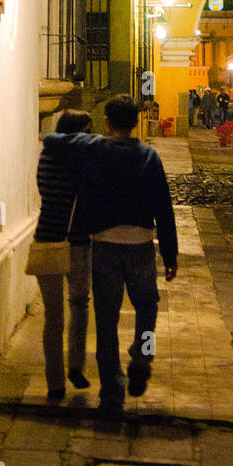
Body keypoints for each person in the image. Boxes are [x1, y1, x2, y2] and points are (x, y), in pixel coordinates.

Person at [43, 95, 178, 412]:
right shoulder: (149, 156)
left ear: (107, 121)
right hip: (141, 243)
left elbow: (53, 140)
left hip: (103, 243)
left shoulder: (94, 149)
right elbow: (165, 209)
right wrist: (170, 256)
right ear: (135, 122)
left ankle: (111, 390)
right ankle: (142, 357)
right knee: (148, 306)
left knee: (106, 319)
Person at [33, 109, 93, 401]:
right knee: (79, 304)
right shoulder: (84, 162)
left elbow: (44, 191)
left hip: (46, 237)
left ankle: (54, 382)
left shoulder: (46, 154)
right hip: (77, 240)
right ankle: (76, 367)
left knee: (52, 315)